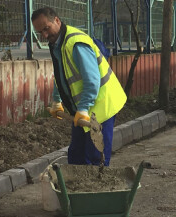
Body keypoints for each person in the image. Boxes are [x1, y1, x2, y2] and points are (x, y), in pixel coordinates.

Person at [31, 7, 127, 166]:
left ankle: (96, 190)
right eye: (40, 32)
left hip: (101, 108)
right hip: (84, 109)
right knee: (76, 156)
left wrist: (83, 109)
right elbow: (62, 75)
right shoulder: (59, 43)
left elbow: (92, 81)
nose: (45, 35)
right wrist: (57, 101)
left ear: (57, 20)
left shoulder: (76, 43)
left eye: (46, 29)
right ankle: (79, 189)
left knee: (95, 159)